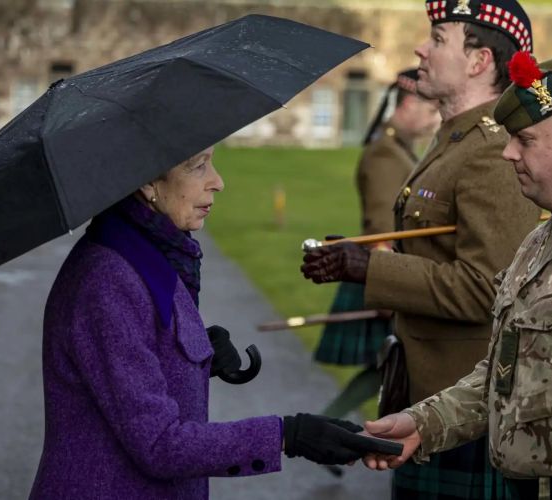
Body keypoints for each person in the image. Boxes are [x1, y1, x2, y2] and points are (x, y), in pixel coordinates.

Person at [361, 54, 552, 500]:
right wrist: (424, 424)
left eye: (526, 140)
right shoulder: (537, 243)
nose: (508, 152)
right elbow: (506, 375)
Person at [31, 146, 382, 499]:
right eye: (198, 167)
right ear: (149, 182)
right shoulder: (107, 280)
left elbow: (135, 356)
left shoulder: (149, 248)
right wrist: (288, 435)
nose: (218, 182)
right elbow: (159, 444)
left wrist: (198, 351)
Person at [301, 0, 541, 497]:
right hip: (428, 396)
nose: (420, 47)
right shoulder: (454, 139)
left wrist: (372, 269)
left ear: (478, 61)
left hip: (465, 406)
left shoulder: (492, 150)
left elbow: (487, 288)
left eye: (438, 38)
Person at [315, 69, 439, 435]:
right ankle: (336, 433)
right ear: (410, 104)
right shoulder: (386, 153)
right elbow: (383, 229)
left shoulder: (397, 148)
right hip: (382, 269)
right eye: (431, 111)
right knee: (393, 362)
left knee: (390, 364)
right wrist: (389, 287)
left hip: (386, 269)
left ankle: (337, 433)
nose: (434, 120)